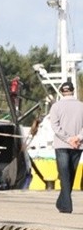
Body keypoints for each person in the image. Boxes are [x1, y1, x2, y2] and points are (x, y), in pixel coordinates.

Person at [49, 80, 83, 213]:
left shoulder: (56, 107)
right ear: (73, 91)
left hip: (62, 144)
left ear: (62, 92)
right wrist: (77, 138)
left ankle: (65, 205)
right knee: (71, 173)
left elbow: (55, 126)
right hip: (78, 144)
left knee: (64, 174)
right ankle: (64, 203)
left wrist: (68, 139)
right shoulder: (81, 106)